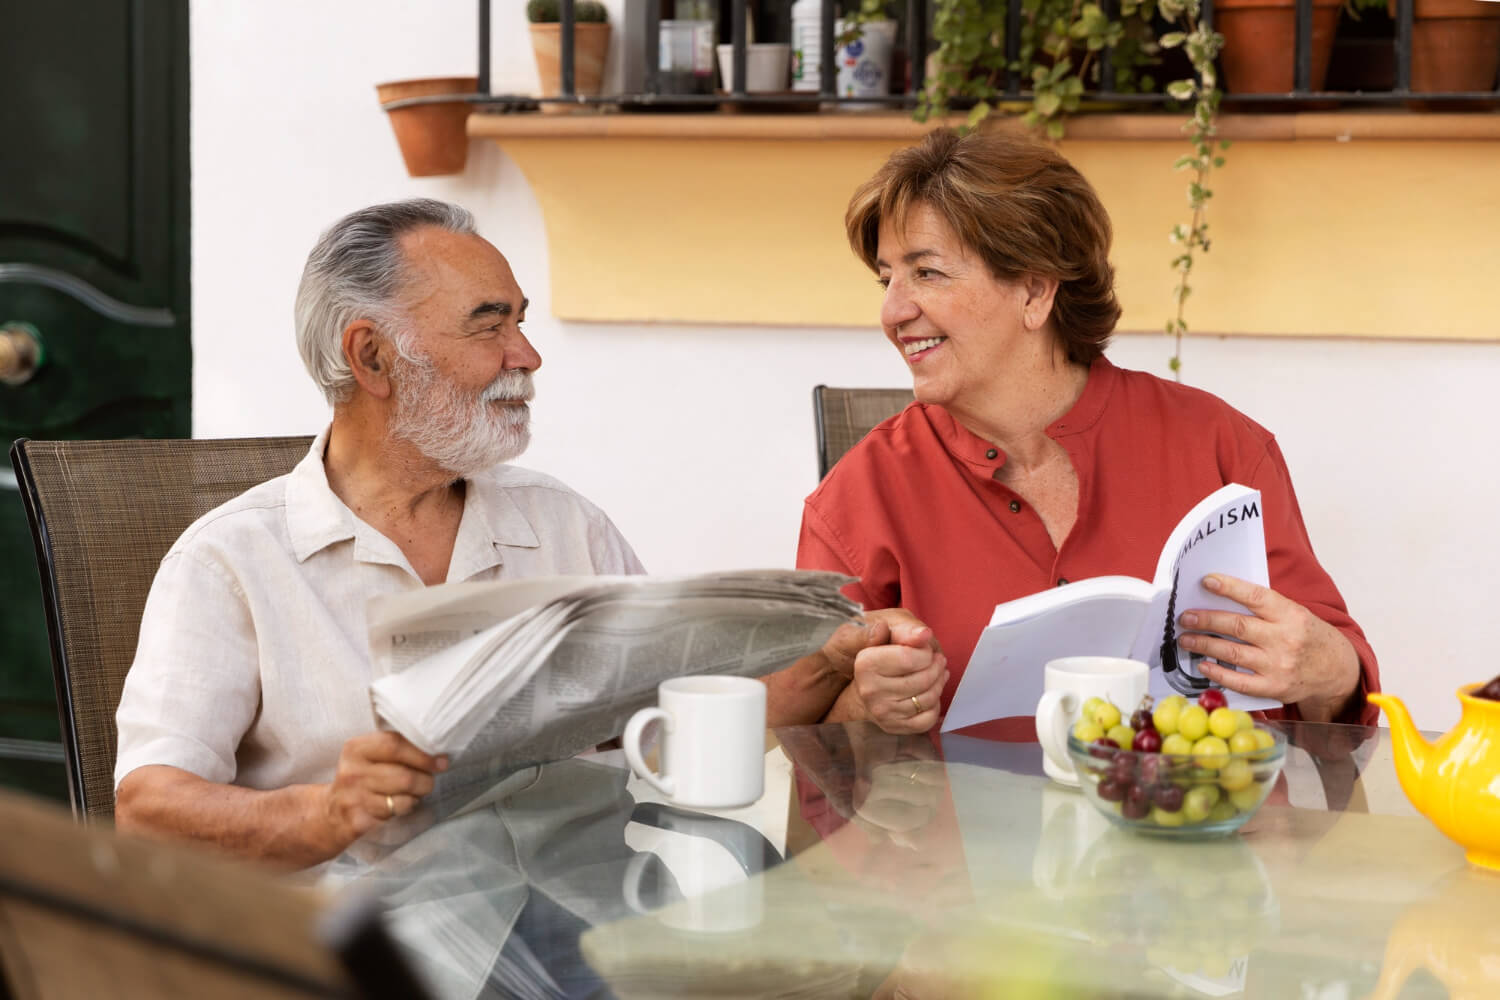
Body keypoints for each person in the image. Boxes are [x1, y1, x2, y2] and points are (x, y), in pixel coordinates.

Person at [767, 127, 1378, 737]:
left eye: (926, 274)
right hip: (971, 834)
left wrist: (1326, 667)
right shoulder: (859, 495)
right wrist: (863, 708)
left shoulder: (1223, 447)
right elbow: (797, 745)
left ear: (1035, 291)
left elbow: (1338, 712)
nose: (892, 312)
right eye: (887, 280)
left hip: (1203, 822)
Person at [113, 199, 645, 870]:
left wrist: (817, 663)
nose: (527, 355)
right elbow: (148, 812)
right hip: (351, 949)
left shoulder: (565, 524)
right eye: (489, 325)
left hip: (569, 929)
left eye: (520, 320)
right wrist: (331, 811)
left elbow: (675, 714)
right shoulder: (230, 560)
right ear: (371, 357)